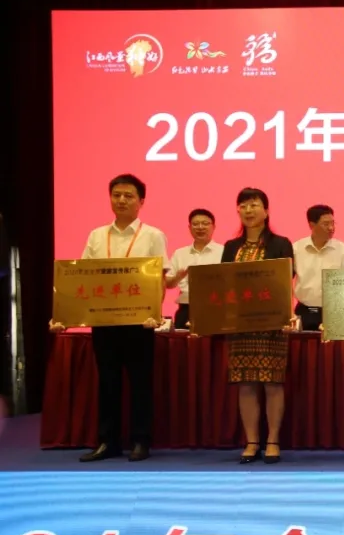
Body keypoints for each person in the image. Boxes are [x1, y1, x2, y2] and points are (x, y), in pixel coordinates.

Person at [50, 174, 168, 463]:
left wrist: (154, 313)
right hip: (103, 322)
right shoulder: (97, 235)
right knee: (107, 382)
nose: (122, 200)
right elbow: (81, 278)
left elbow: (159, 280)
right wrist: (64, 316)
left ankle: (141, 440)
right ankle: (108, 441)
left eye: (129, 195)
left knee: (140, 383)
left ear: (141, 201)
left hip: (138, 322)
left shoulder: (153, 235)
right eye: (117, 195)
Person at [220, 188, 295, 465]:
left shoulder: (280, 244)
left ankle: (272, 440)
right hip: (241, 326)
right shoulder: (231, 247)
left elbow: (285, 280)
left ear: (266, 210)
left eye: (254, 205)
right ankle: (252, 441)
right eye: (243, 205)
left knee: (272, 383)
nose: (248, 210)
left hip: (271, 324)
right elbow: (223, 283)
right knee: (246, 384)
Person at [293, 204, 344, 332]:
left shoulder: (343, 251)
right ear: (312, 225)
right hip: (304, 311)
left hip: (333, 312)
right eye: (325, 224)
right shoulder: (296, 249)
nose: (331, 228)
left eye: (333, 223)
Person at [166, 208, 223, 330]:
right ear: (189, 227)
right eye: (195, 224)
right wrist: (177, 277)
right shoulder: (180, 253)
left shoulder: (223, 251)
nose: (200, 227)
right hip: (186, 309)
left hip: (216, 307)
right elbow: (168, 283)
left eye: (205, 223)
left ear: (214, 227)